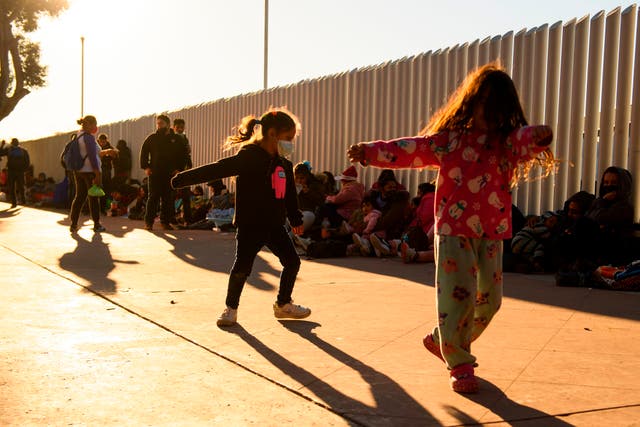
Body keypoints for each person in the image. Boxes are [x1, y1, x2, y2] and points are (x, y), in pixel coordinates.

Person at [347, 63, 554, 393]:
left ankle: (443, 339)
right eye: (484, 102)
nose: (490, 111)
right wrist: (371, 152)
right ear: (471, 102)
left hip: (492, 231)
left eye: (498, 105)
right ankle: (459, 361)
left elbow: (528, 139)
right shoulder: (451, 140)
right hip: (454, 230)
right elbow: (411, 149)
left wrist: (540, 135)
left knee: (490, 300)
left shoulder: (507, 143)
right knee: (459, 297)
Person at [171, 108, 311, 327]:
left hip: (275, 225)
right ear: (272, 134)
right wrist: (182, 179)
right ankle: (230, 309)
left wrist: (296, 219)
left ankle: (283, 304)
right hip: (250, 225)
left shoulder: (284, 164)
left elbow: (290, 196)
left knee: (292, 262)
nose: (290, 144)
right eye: (288, 138)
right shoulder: (249, 157)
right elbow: (217, 170)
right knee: (242, 268)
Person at [139, 114, 190, 231]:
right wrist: (146, 167)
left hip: (170, 174)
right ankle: (149, 222)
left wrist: (179, 169)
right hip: (155, 173)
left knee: (168, 199)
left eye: (161, 123)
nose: (159, 126)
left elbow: (183, 155)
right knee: (153, 198)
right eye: (157, 124)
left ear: (168, 124)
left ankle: (165, 222)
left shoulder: (176, 139)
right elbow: (144, 152)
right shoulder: (152, 138)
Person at [68, 115, 106, 233]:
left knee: (79, 197)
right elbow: (92, 156)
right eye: (94, 124)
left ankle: (73, 224)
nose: (96, 127)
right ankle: (97, 224)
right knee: (93, 198)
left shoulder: (78, 136)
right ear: (88, 124)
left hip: (78, 171)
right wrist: (97, 172)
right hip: (90, 171)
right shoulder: (88, 137)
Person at [294, 161, 325, 232]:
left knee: (303, 219)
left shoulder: (315, 185)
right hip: (294, 213)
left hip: (308, 212)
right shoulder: (292, 185)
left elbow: (321, 202)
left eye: (302, 178)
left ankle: (293, 237)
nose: (299, 181)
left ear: (307, 177)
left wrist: (308, 192)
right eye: (297, 178)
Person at [173, 118, 194, 224]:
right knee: (172, 195)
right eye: (178, 127)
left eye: (182, 127)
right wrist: (174, 169)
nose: (180, 129)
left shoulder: (184, 138)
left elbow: (186, 155)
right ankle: (170, 218)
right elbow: (171, 156)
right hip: (176, 171)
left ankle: (188, 219)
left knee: (186, 195)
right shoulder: (172, 139)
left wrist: (189, 166)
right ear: (174, 127)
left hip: (185, 169)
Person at [0, 138, 30, 208]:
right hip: (12, 171)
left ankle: (22, 201)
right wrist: (2, 145)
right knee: (13, 187)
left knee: (20, 187)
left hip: (18, 171)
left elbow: (27, 161)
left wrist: (24, 169)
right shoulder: (10, 150)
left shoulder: (22, 150)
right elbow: (0, 153)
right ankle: (15, 202)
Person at [97, 133, 118, 214]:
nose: (102, 143)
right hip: (97, 171)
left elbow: (116, 157)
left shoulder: (110, 148)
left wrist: (113, 155)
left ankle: (102, 209)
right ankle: (92, 208)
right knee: (95, 189)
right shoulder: (96, 147)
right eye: (101, 142)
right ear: (98, 141)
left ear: (106, 141)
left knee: (104, 190)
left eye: (104, 142)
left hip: (106, 171)